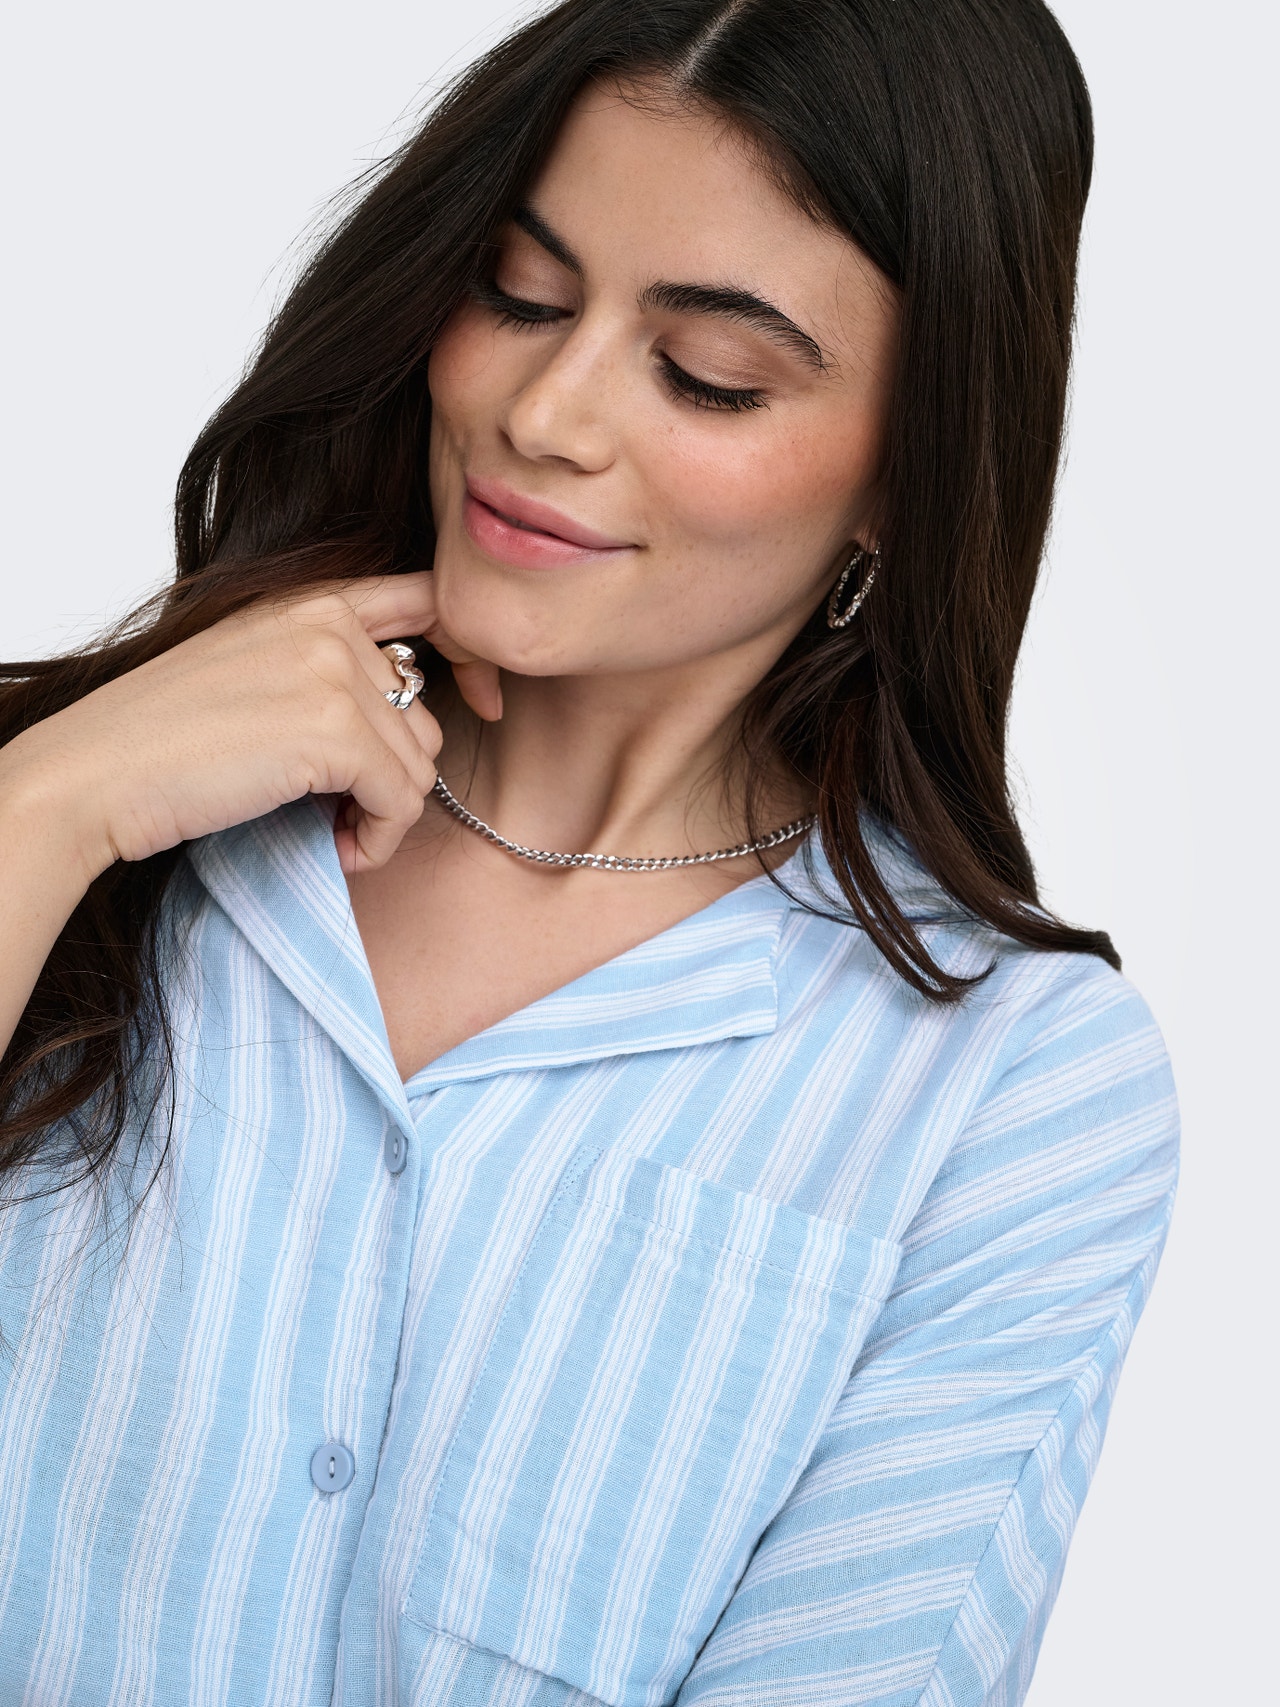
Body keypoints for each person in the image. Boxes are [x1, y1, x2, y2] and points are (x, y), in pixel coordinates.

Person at [0, 0, 1178, 1701]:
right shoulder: (82, 805)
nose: (545, 413)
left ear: (904, 476)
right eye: (519, 293)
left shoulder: (1006, 1097)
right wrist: (43, 813)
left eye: (708, 375)